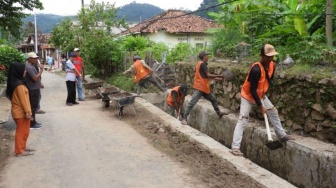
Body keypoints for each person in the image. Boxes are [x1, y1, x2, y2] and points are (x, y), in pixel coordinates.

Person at [230, 44, 295, 156]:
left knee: (273, 112)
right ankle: (235, 147)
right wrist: (261, 106)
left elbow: (268, 81)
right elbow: (253, 89)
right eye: (268, 56)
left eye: (272, 56)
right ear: (262, 56)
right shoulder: (255, 69)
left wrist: (263, 97)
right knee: (243, 119)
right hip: (248, 95)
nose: (270, 59)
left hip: (261, 94)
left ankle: (281, 135)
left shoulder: (272, 65)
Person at [180, 51, 227, 125]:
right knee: (192, 103)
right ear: (204, 57)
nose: (208, 56)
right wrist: (219, 76)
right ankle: (184, 118)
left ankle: (219, 113)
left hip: (203, 87)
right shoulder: (203, 64)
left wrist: (218, 79)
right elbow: (208, 75)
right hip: (200, 87)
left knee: (213, 99)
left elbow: (205, 76)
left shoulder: (200, 63)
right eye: (206, 55)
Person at [6, 63, 34, 157]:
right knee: (21, 132)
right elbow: (24, 100)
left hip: (18, 111)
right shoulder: (20, 85)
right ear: (19, 71)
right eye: (24, 70)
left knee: (24, 131)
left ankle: (22, 147)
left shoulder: (15, 83)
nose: (25, 71)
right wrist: (28, 112)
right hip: (21, 112)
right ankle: (19, 151)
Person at [25, 52, 43, 129]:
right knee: (32, 107)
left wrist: (40, 83)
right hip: (32, 89)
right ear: (29, 59)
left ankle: (33, 121)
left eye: (36, 58)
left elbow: (36, 78)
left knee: (34, 106)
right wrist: (41, 71)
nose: (36, 60)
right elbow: (35, 78)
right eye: (34, 58)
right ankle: (31, 123)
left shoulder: (32, 66)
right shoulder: (29, 67)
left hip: (35, 88)